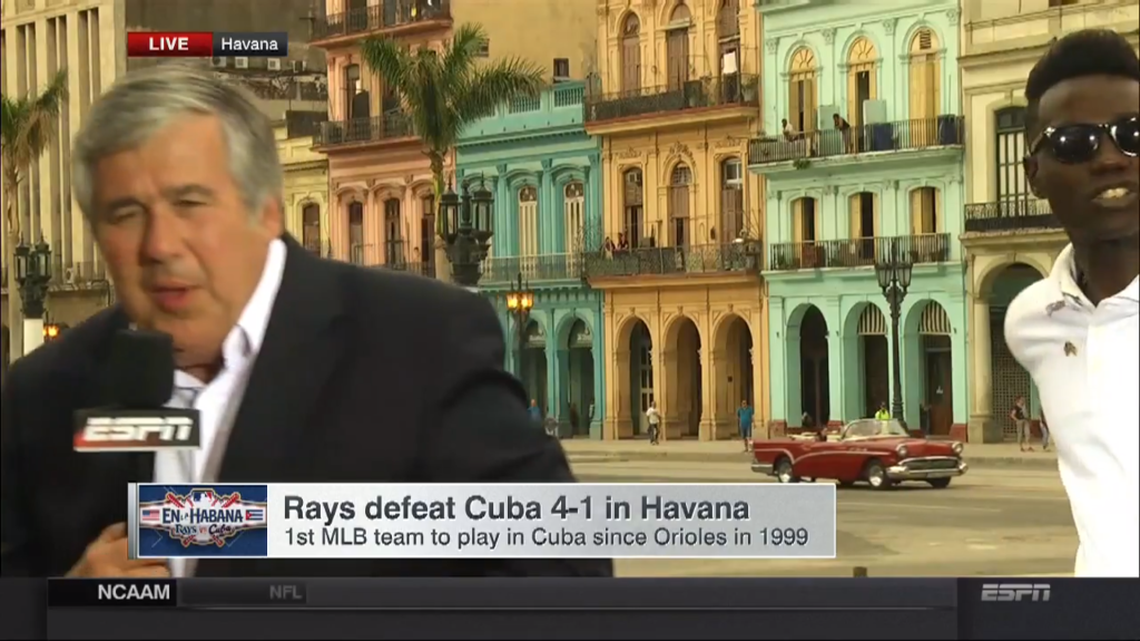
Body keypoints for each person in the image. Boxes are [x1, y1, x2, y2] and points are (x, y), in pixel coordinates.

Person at [0, 65, 613, 579]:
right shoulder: (41, 396)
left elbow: (565, 577)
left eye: (190, 203)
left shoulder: (420, 346)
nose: (160, 244)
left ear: (266, 210)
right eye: (126, 213)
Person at [1004, 29, 1139, 578]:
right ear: (1033, 174)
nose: (1111, 159)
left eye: (1133, 134)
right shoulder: (1031, 322)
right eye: (1076, 142)